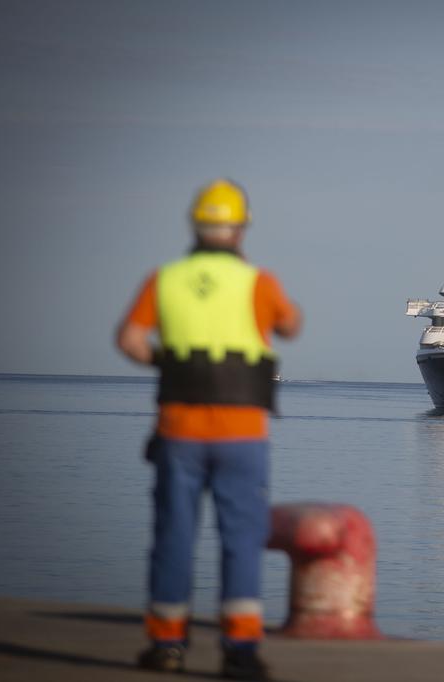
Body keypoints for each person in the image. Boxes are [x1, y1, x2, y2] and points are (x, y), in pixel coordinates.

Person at [116, 179, 302, 680]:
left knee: (174, 534)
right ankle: (239, 651)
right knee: (242, 538)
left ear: (194, 225)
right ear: (240, 230)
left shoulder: (165, 279)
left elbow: (130, 339)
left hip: (179, 430)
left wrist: (168, 360)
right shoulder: (258, 283)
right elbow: (290, 325)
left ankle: (166, 645)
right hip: (243, 435)